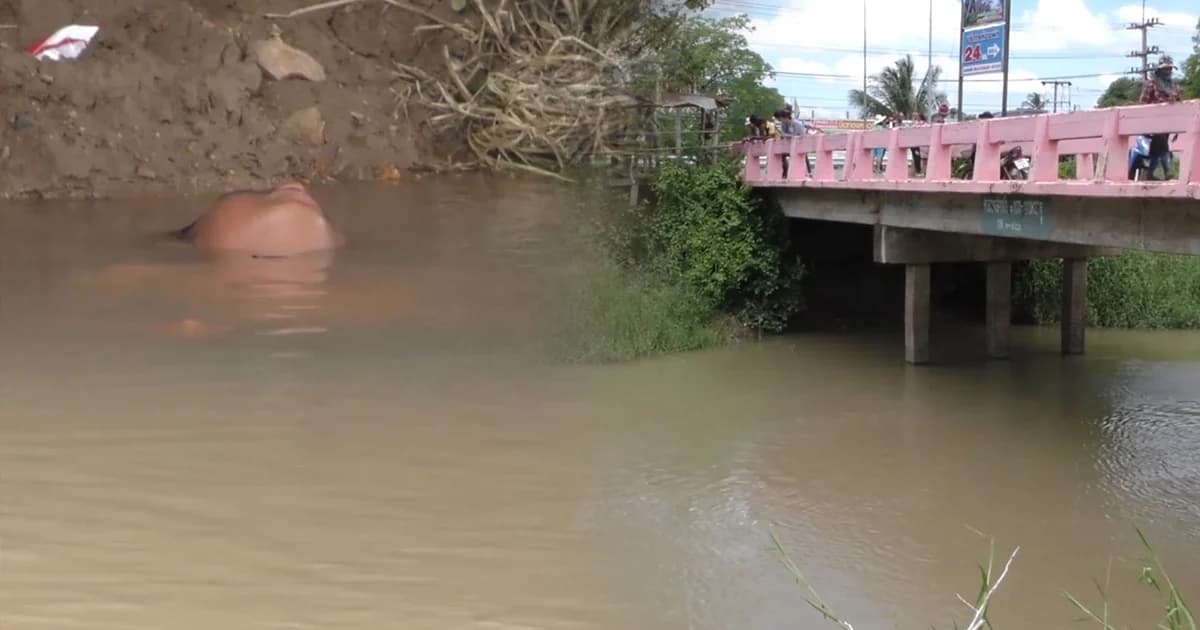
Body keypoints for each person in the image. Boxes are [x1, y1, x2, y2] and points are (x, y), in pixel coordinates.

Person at [1139, 55, 1181, 180]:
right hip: (1154, 121)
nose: (1168, 71)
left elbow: (1180, 104)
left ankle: (1150, 173)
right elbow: (1143, 103)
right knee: (1162, 145)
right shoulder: (1151, 84)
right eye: (1165, 69)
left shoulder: (1174, 86)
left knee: (1158, 148)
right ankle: (1167, 172)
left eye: (1169, 69)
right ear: (1160, 70)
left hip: (1169, 121)